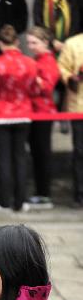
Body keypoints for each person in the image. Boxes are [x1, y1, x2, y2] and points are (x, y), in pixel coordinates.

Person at [0, 25, 37, 213]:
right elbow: (34, 90)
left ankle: (4, 201)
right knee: (20, 157)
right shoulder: (30, 63)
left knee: (4, 159)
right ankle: (20, 201)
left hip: (1, 113)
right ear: (17, 42)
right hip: (23, 112)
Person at [26, 26, 60, 210]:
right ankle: (41, 192)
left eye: (34, 43)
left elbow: (47, 87)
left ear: (45, 42)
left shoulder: (48, 61)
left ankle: (45, 193)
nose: (31, 46)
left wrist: (31, 76)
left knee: (42, 153)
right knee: (37, 153)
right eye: (29, 42)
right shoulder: (37, 59)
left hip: (43, 112)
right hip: (33, 111)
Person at [59, 32, 83, 206]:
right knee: (80, 151)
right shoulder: (73, 43)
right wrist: (70, 77)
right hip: (79, 105)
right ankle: (80, 193)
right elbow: (62, 67)